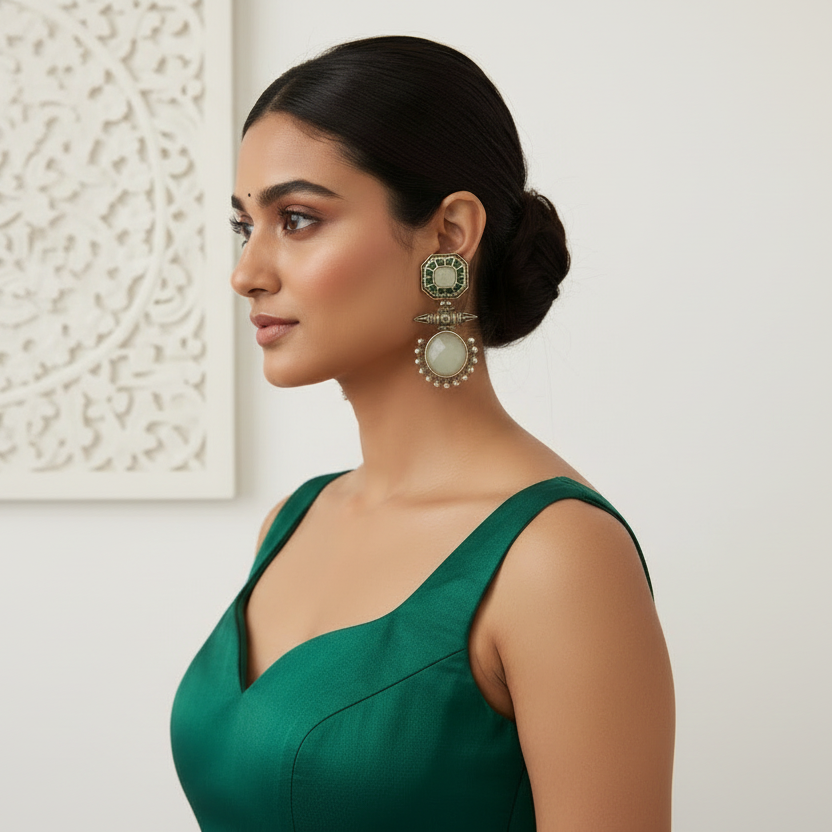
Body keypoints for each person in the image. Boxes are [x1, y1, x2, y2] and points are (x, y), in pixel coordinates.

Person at [170, 35, 675, 831]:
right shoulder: (294, 522)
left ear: (449, 234)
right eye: (246, 226)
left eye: (297, 219)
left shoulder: (557, 557)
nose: (247, 271)